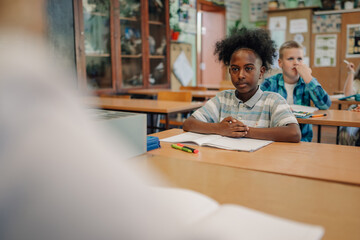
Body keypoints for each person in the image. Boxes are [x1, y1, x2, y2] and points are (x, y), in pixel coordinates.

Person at [183, 28, 301, 143]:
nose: (240, 75)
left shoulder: (273, 100)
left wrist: (243, 131)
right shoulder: (222, 99)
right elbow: (189, 123)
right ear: (229, 72)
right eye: (235, 69)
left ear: (261, 72)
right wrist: (220, 129)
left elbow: (294, 133)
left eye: (248, 68)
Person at [260, 40, 331, 142]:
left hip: (302, 139)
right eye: (290, 59)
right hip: (276, 138)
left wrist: (308, 78)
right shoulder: (271, 82)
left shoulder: (307, 82)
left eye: (300, 59)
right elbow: (257, 102)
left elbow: (325, 105)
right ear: (280, 63)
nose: (296, 63)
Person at [339, 61, 360, 146]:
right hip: (355, 116)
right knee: (344, 134)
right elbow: (348, 94)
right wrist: (351, 73)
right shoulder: (358, 82)